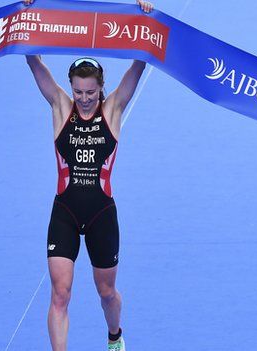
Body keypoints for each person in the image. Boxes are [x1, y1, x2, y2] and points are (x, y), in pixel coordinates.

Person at [24, 1, 154, 349]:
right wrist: (29, 12)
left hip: (101, 214)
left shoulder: (112, 109)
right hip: (64, 212)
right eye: (78, 92)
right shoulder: (60, 107)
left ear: (101, 89)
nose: (83, 99)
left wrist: (145, 17)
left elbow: (140, 62)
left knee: (107, 293)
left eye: (90, 93)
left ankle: (115, 337)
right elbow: (32, 59)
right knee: (60, 295)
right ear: (71, 87)